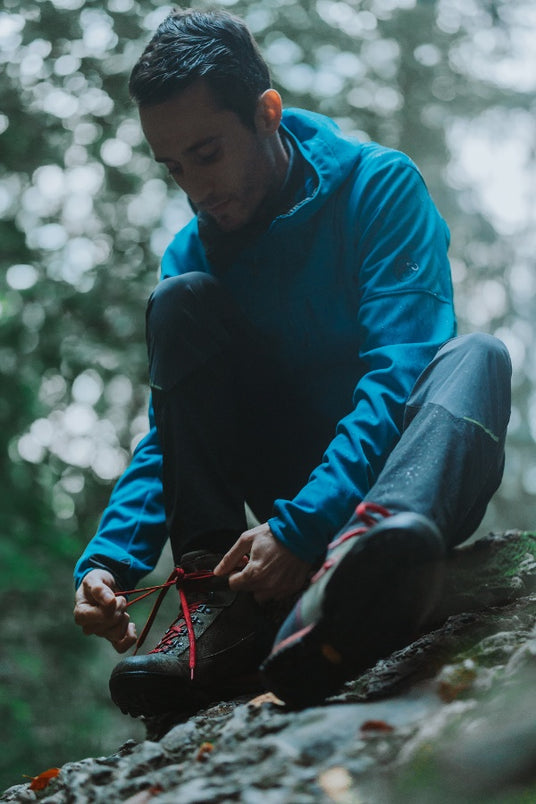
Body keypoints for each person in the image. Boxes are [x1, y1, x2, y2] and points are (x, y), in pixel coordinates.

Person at [73, 8, 511, 714]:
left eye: (208, 153)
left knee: (478, 358)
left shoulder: (379, 187)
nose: (195, 187)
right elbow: (174, 434)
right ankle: (215, 615)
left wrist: (305, 529)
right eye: (174, 166)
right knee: (179, 300)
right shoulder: (194, 253)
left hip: (401, 489)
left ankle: (362, 575)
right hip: (284, 507)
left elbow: (402, 368)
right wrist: (107, 563)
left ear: (267, 113)